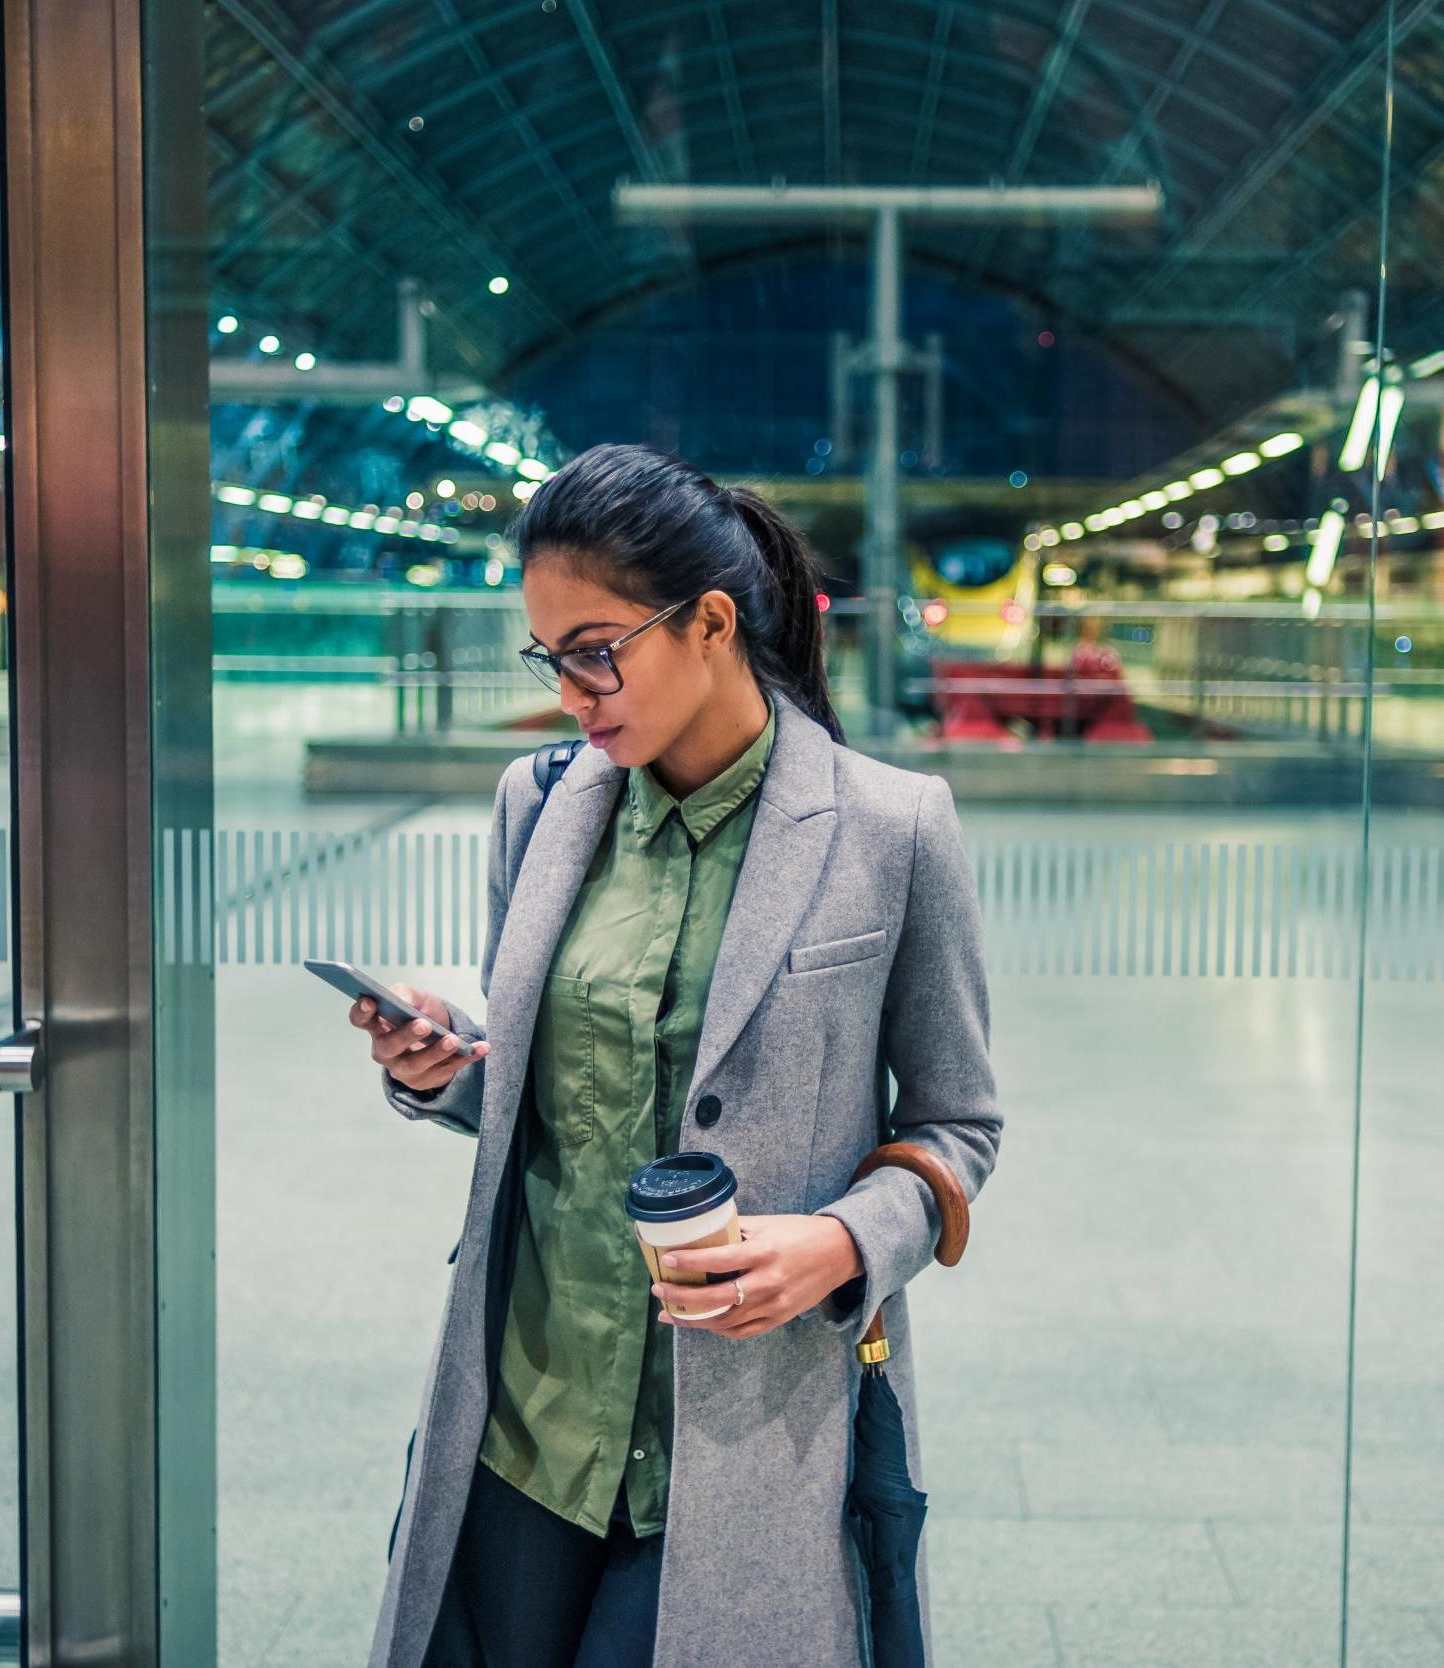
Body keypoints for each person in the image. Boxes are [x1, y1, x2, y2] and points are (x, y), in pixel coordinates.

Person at [354, 444, 1002, 1668]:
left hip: (744, 1441)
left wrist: (842, 1243)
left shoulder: (888, 830)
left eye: (595, 649)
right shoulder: (538, 805)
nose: (569, 692)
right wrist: (444, 1069)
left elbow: (961, 1128)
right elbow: (547, 1090)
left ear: (711, 622)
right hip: (529, 1418)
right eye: (549, 657)